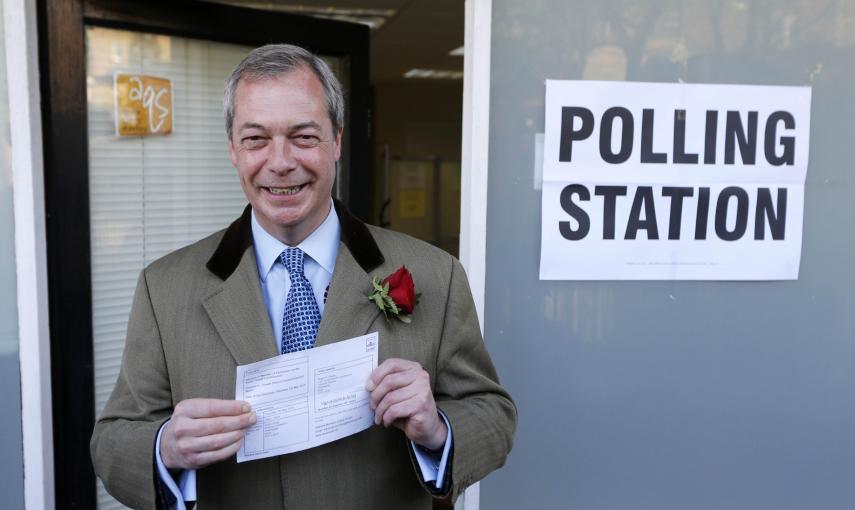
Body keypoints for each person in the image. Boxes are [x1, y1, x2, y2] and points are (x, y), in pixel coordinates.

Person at [91, 44, 516, 510]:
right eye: (256, 139)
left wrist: (437, 429)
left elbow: (492, 414)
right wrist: (166, 448)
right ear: (233, 148)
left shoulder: (437, 273)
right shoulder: (164, 287)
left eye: (303, 136)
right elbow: (112, 443)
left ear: (336, 140)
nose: (280, 161)